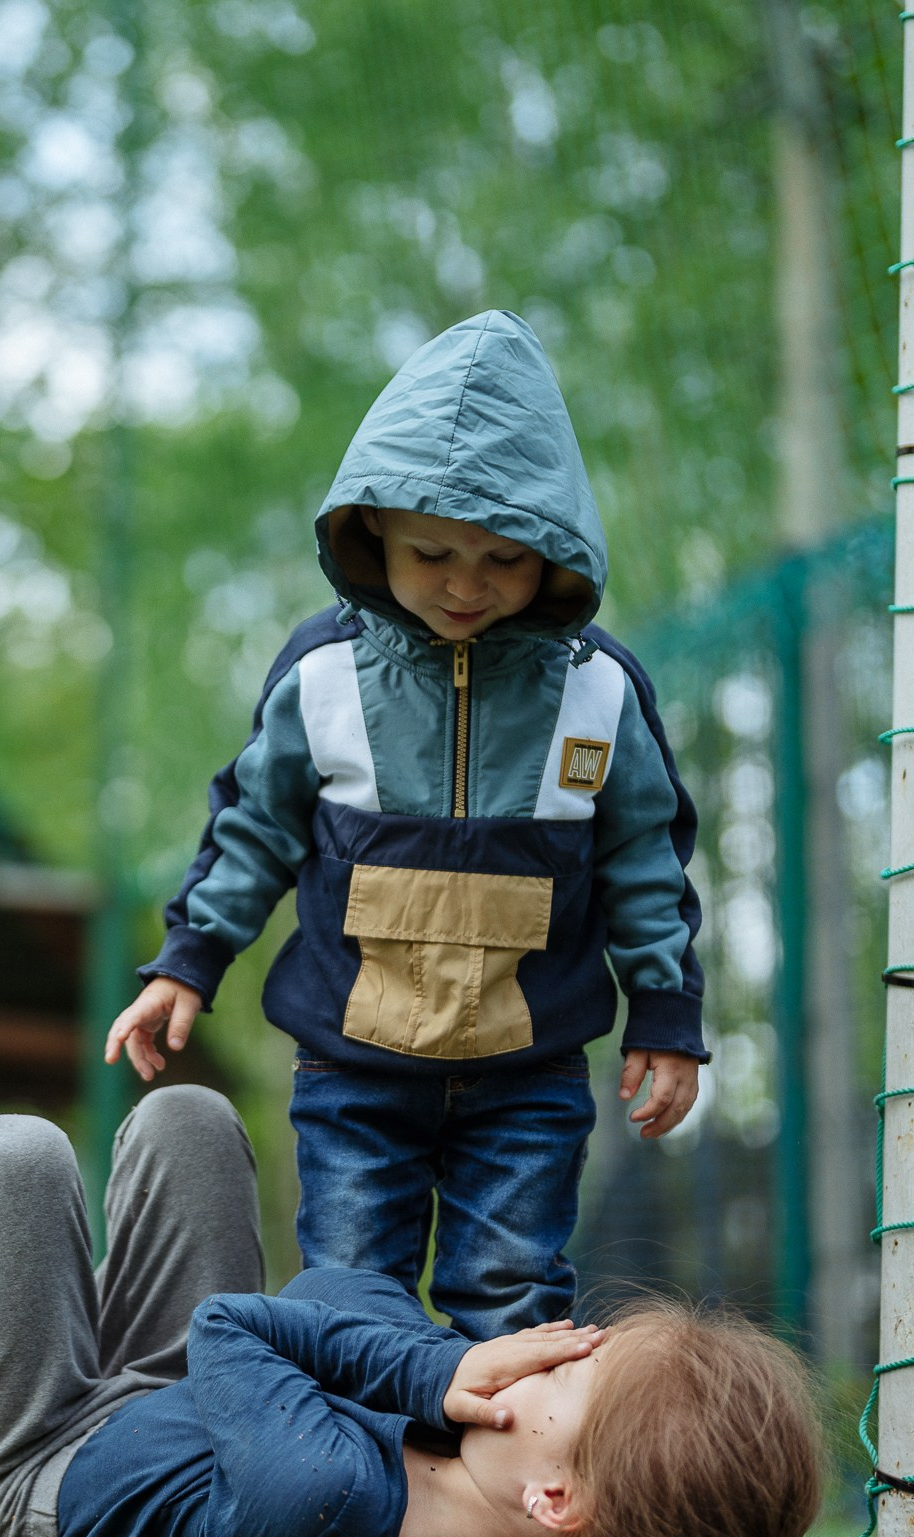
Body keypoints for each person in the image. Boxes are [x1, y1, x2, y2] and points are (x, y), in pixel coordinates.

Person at [104, 309, 710, 1338]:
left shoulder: (597, 692)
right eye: (432, 553)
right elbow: (251, 829)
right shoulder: (323, 676)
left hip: (529, 1075)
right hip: (353, 1070)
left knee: (513, 1297)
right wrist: (188, 958)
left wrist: (664, 1015)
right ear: (369, 528)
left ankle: (494, 1495)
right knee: (347, 1296)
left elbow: (643, 861)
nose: (466, 586)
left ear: (556, 555)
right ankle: (369, 1490)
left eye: (505, 561)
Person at [0, 1088, 843, 1537]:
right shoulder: (471, 1451)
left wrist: (432, 1364)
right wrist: (436, 1376)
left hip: (44, 1464)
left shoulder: (323, 1496)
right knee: (192, 1119)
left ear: (555, 1497)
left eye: (568, 1373)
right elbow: (336, 1292)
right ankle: (21, 1339)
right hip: (178, 1406)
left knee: (15, 1154)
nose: (537, 1351)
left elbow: (236, 1322)